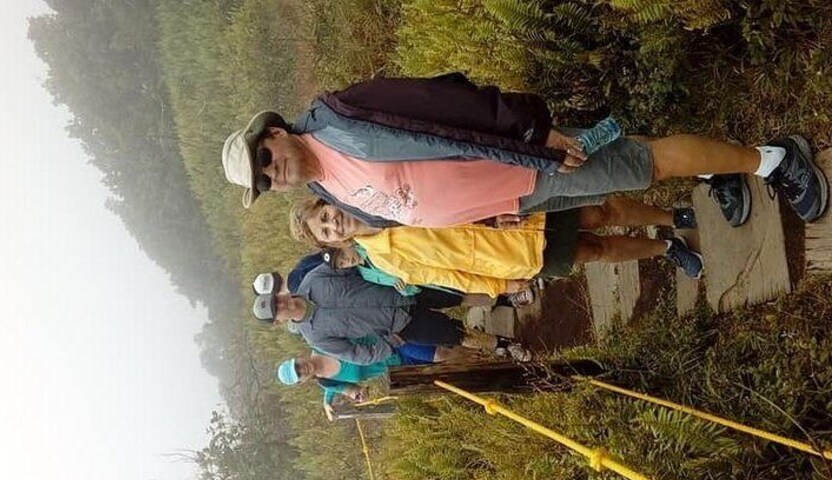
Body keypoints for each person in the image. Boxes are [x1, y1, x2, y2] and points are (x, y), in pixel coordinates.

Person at [222, 73, 827, 229]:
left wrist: (532, 134)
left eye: (266, 163)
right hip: (518, 194)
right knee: (632, 171)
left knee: (646, 164)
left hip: (521, 161)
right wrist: (492, 214)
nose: (274, 177)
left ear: (274, 134)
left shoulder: (342, 117)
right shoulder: (326, 187)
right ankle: (724, 170)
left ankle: (771, 160)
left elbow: (446, 107)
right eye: (265, 184)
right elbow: (405, 208)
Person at [290, 195, 706, 289]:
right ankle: (667, 249)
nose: (334, 223)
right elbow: (448, 276)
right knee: (594, 250)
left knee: (600, 214)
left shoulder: (382, 197)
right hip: (510, 255)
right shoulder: (386, 259)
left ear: (329, 202)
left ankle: (670, 216)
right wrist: (498, 287)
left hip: (514, 212)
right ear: (335, 241)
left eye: (325, 215)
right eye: (327, 231)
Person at [252, 263, 532, 363]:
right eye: (276, 311)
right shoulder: (316, 337)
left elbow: (355, 264)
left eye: (276, 300)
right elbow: (357, 356)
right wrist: (392, 343)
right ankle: (505, 345)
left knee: (462, 293)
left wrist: (391, 273)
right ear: (278, 322)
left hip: (405, 288)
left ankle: (511, 292)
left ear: (278, 294)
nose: (282, 305)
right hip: (401, 327)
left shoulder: (314, 279)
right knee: (458, 336)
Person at [276, 340, 473, 420]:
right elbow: (348, 390)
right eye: (299, 374)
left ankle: (486, 350)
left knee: (441, 353)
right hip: (397, 368)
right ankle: (487, 357)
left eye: (298, 365)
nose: (302, 369)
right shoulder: (326, 382)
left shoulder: (322, 343)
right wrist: (355, 396)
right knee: (446, 370)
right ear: (302, 382)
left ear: (298, 358)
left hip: (392, 344)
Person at [321, 245, 535, 307]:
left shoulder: (369, 245)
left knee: (479, 264)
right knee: (468, 286)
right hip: (431, 280)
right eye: (341, 264)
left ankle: (527, 272)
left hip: (432, 259)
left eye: (343, 256)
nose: (346, 261)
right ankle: (518, 288)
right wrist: (404, 288)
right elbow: (410, 288)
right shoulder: (367, 275)